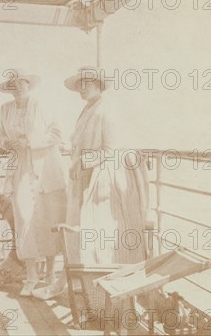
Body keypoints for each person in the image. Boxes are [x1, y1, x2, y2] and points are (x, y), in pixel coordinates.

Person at [32, 66, 149, 300]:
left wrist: (81, 162)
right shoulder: (88, 109)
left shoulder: (107, 110)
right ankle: (77, 287)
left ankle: (103, 293)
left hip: (103, 184)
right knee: (78, 232)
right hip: (84, 181)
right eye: (79, 85)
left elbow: (111, 150)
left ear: (98, 84)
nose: (81, 89)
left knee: (99, 238)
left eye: (86, 84)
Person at [0, 69, 67, 297]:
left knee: (48, 217)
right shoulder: (5, 109)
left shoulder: (41, 105)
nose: (17, 87)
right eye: (13, 84)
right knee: (24, 217)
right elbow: (1, 137)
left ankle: (50, 274)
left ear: (29, 84)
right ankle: (31, 275)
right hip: (20, 169)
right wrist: (9, 143)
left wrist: (29, 142)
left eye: (21, 83)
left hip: (44, 167)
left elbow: (57, 134)